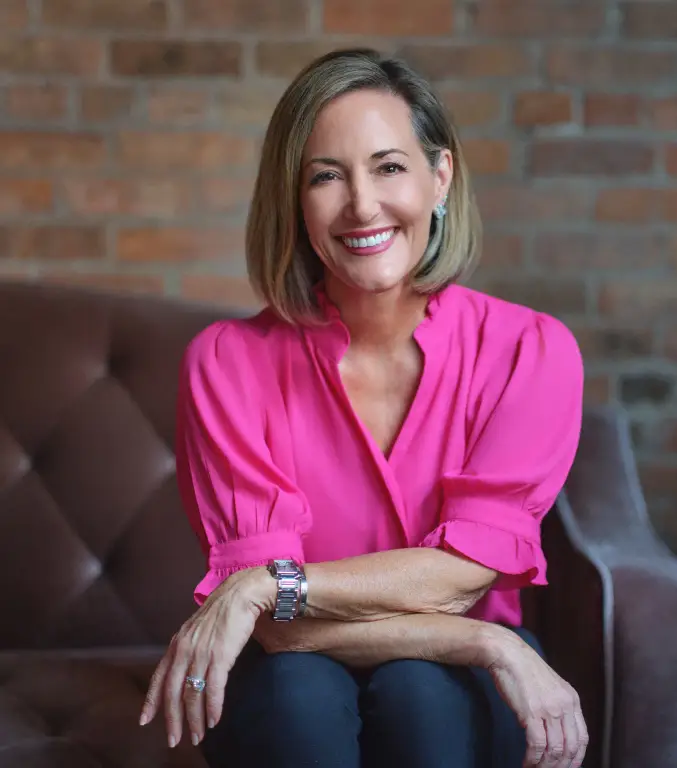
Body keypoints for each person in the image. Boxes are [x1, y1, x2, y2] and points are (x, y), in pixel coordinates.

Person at [139, 48, 588, 768]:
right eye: (325, 176)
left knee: (422, 694)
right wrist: (486, 640)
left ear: (439, 177)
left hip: (451, 691)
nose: (362, 205)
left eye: (388, 167)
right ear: (294, 201)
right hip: (294, 678)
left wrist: (267, 587)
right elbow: (278, 634)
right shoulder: (227, 363)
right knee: (297, 693)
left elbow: (463, 574)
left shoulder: (529, 351)